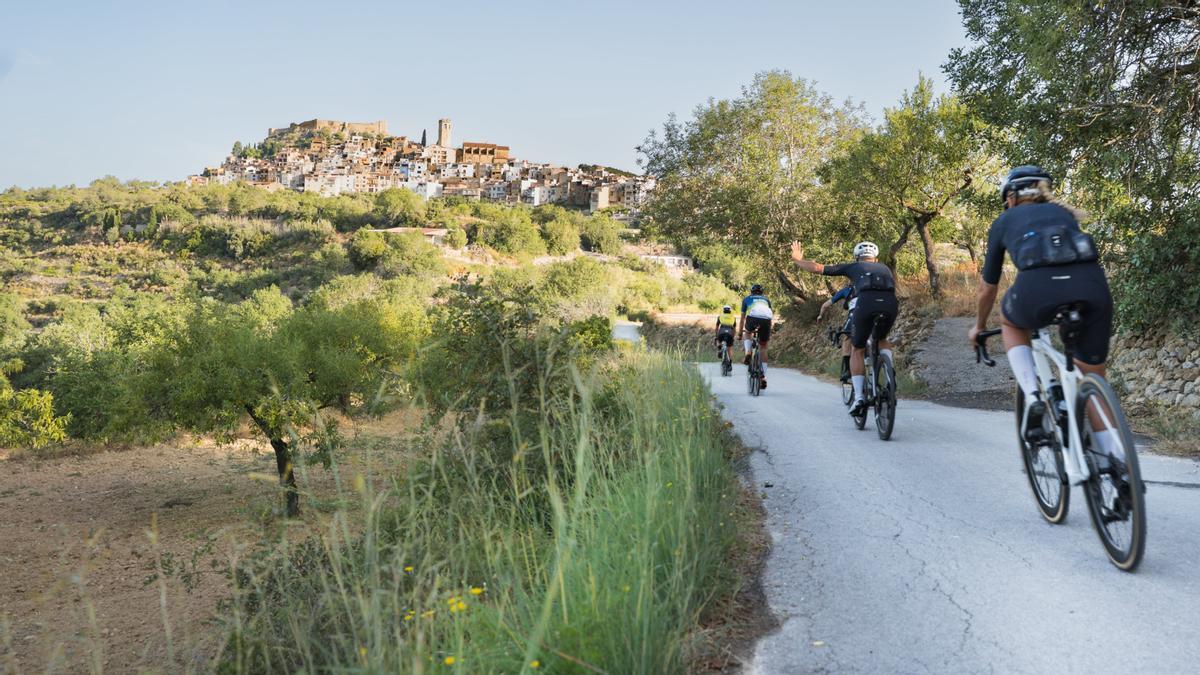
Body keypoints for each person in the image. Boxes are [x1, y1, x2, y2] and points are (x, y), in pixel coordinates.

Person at [966, 165, 1119, 458]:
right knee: (1094, 380)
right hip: (1093, 289)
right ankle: (1120, 475)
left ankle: (1034, 394)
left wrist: (978, 326)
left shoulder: (1004, 220)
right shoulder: (1065, 215)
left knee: (1010, 320)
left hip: (1038, 290)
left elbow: (988, 287)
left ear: (1010, 197)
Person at [790, 241, 898, 416]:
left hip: (866, 303)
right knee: (882, 339)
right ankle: (889, 374)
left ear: (857, 257)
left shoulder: (853, 267)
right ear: (875, 258)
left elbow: (818, 268)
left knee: (857, 349)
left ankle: (860, 398)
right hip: (890, 303)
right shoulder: (885, 268)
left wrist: (797, 260)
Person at [817, 283, 856, 383]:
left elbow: (825, 305)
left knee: (847, 338)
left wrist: (820, 316)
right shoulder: (870, 285)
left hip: (856, 314)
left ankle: (847, 370)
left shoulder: (846, 290)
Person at [739, 283, 774, 389]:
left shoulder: (746, 299)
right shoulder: (766, 300)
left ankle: (748, 352)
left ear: (751, 292)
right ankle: (763, 377)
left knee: (748, 333)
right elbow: (769, 316)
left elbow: (742, 319)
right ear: (762, 292)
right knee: (763, 347)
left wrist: (740, 333)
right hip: (766, 319)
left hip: (753, 316)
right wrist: (768, 332)